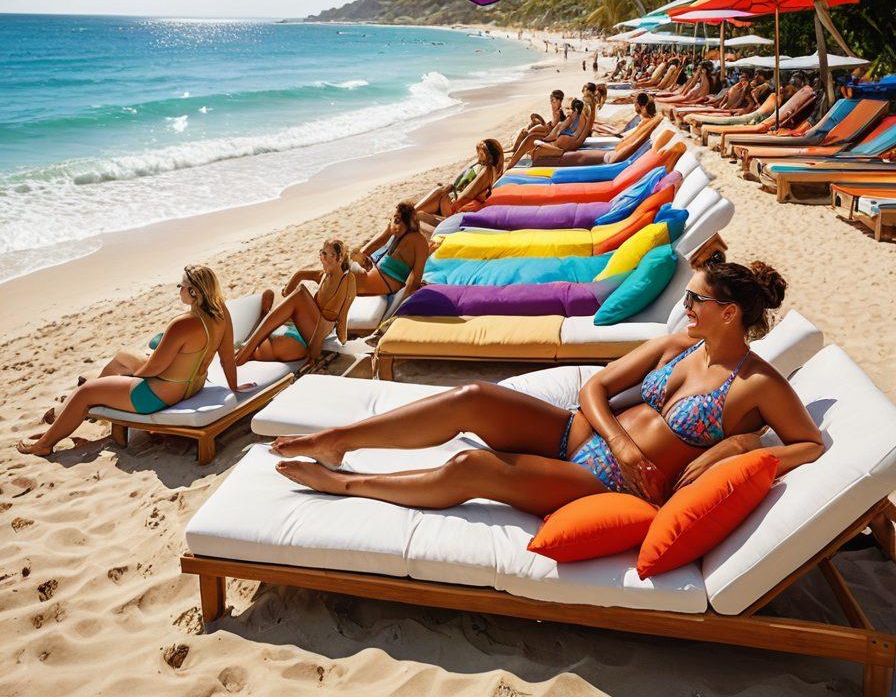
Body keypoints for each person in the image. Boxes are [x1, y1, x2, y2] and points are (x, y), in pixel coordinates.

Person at [270, 257, 823, 514]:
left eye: (694, 300)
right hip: (581, 439)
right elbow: (595, 391)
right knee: (474, 397)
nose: (685, 306)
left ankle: (346, 484)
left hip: (599, 482)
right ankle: (342, 438)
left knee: (472, 469)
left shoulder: (757, 384)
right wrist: (621, 440)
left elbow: (809, 443)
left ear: (727, 314)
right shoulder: (680, 346)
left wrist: (740, 445)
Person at [17, 265, 250, 457]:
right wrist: (234, 386)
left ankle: (45, 444)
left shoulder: (182, 324)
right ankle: (82, 410)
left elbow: (154, 369)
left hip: (157, 395)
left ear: (194, 293)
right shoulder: (221, 313)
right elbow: (227, 357)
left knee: (85, 391)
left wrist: (127, 379)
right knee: (122, 358)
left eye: (182, 286)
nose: (179, 290)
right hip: (190, 386)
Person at [234, 240, 357, 365]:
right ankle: (250, 345)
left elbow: (340, 318)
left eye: (325, 254)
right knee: (270, 296)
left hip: (314, 335)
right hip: (300, 331)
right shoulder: (324, 276)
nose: (321, 258)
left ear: (339, 257)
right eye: (321, 253)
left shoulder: (347, 280)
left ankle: (247, 348)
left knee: (301, 294)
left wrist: (314, 353)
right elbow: (300, 274)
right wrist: (287, 292)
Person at [416, 138, 505, 221]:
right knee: (441, 192)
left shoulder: (486, 171)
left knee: (439, 192)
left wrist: (449, 193)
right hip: (464, 206)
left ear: (489, 156)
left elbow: (466, 196)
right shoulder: (494, 171)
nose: (478, 156)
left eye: (481, 154)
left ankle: (410, 214)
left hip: (456, 210)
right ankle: (411, 213)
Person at [352, 201, 429, 296]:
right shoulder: (397, 235)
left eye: (395, 220)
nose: (391, 223)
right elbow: (368, 250)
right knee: (347, 266)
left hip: (387, 283)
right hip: (376, 277)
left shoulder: (419, 241)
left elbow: (417, 276)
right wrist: (388, 232)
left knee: (343, 279)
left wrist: (404, 300)